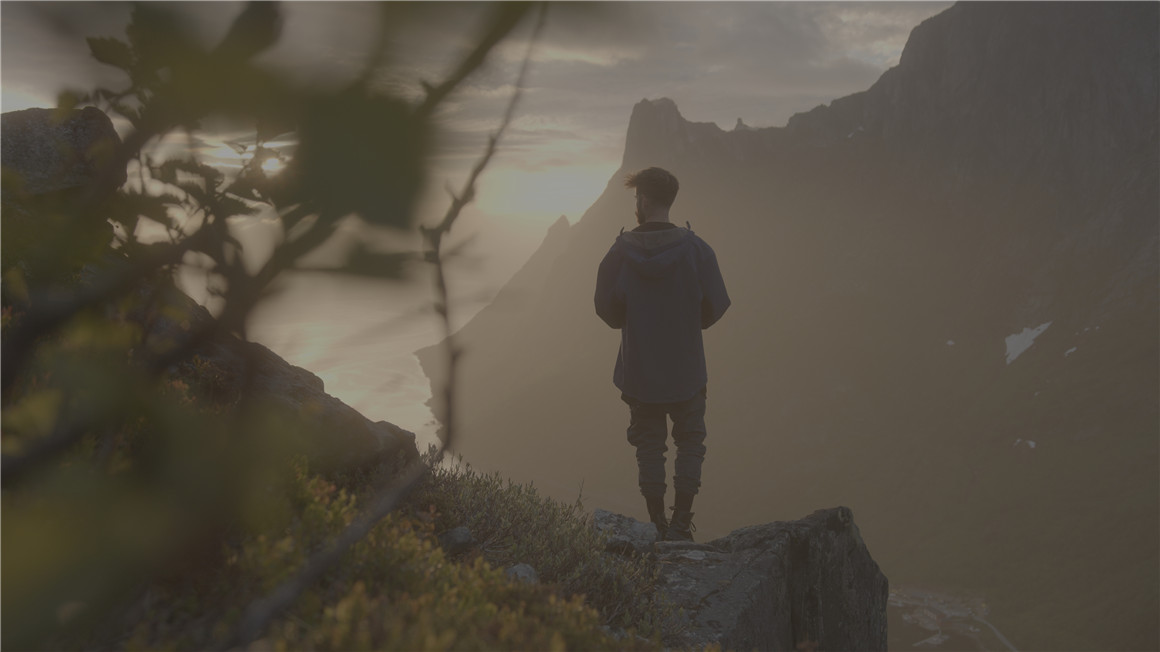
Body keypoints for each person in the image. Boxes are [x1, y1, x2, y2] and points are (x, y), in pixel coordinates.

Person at [594, 166, 730, 542]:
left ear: (644, 200)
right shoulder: (697, 250)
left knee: (649, 446)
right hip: (686, 369)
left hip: (640, 371)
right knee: (690, 441)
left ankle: (656, 525)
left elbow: (606, 310)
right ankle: (682, 525)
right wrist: (688, 324)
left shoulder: (619, 254)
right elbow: (716, 305)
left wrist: (632, 320)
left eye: (637, 197)